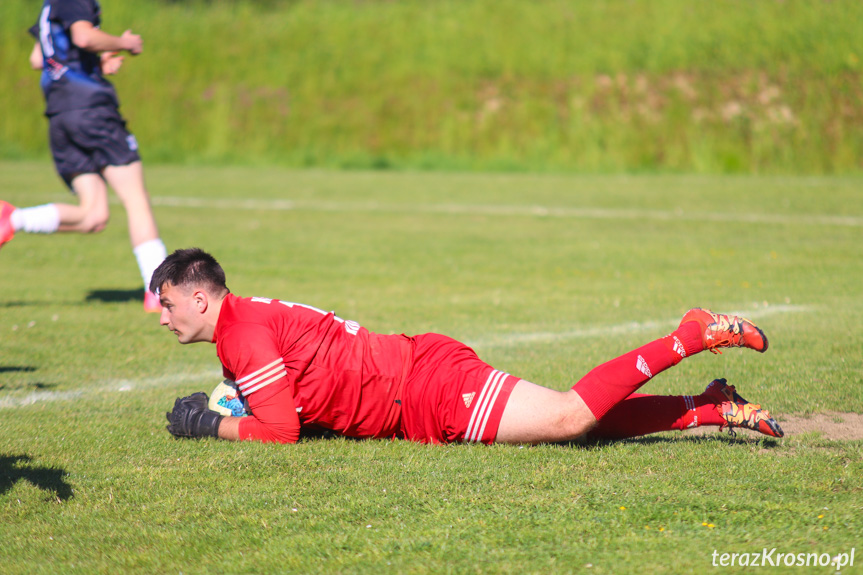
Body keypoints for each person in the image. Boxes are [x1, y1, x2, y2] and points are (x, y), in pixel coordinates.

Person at [155, 248, 783, 445]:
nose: (161, 316)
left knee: (568, 416)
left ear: (199, 297)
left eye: (167, 302)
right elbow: (302, 405)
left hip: (427, 389)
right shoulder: (246, 317)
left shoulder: (240, 334)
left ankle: (691, 334)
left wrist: (210, 425)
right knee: (569, 431)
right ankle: (709, 405)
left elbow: (281, 433)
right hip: (418, 380)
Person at [0, 0, 167, 313]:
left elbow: (40, 58)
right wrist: (124, 43)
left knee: (94, 216)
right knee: (135, 198)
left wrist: (95, 65)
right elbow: (83, 38)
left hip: (60, 114)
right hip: (91, 110)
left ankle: (12, 218)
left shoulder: (49, 6)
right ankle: (157, 292)